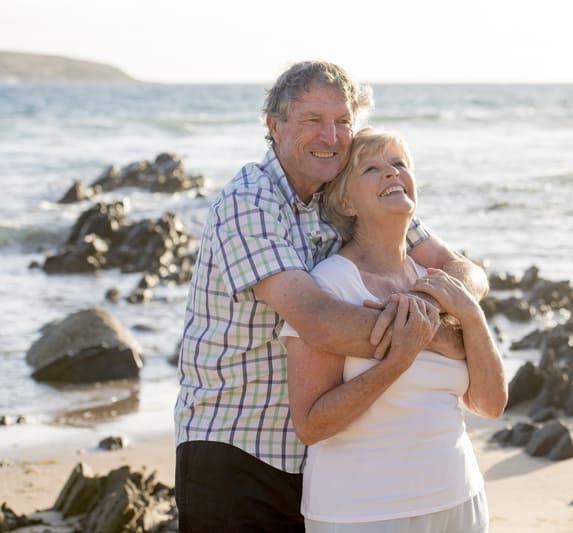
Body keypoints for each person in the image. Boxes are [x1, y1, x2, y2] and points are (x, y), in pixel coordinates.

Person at [174, 61, 489, 532]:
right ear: (274, 126)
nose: (331, 136)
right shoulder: (249, 202)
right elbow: (317, 319)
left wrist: (434, 303)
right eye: (313, 121)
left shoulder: (344, 191)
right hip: (235, 451)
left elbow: (465, 271)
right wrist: (445, 334)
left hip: (317, 457)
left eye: (343, 121)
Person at [281, 128, 508, 533]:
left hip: (458, 499)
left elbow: (490, 403)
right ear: (346, 202)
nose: (391, 173)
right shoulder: (330, 286)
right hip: (361, 512)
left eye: (399, 164)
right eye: (372, 168)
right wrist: (397, 361)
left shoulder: (440, 283)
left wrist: (469, 315)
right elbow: (311, 425)